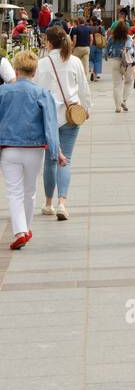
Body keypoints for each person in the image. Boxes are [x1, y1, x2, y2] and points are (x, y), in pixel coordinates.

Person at [0, 49, 66, 249]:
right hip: (35, 148)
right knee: (29, 191)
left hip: (9, 148)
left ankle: (20, 231)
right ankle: (25, 229)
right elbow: (50, 125)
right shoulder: (42, 93)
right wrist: (57, 152)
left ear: (16, 70)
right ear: (34, 72)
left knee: (13, 191)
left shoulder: (2, 92)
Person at [36, 26, 91, 221]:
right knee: (66, 158)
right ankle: (62, 203)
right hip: (71, 115)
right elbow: (84, 88)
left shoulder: (42, 63)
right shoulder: (74, 61)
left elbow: (38, 92)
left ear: (49, 41)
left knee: (51, 160)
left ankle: (49, 203)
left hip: (49, 117)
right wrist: (87, 108)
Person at [105, 21, 135, 112]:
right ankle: (124, 100)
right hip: (126, 62)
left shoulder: (112, 38)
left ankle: (117, 107)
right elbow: (129, 47)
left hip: (115, 61)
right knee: (128, 82)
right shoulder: (128, 38)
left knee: (116, 85)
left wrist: (107, 54)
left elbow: (107, 47)